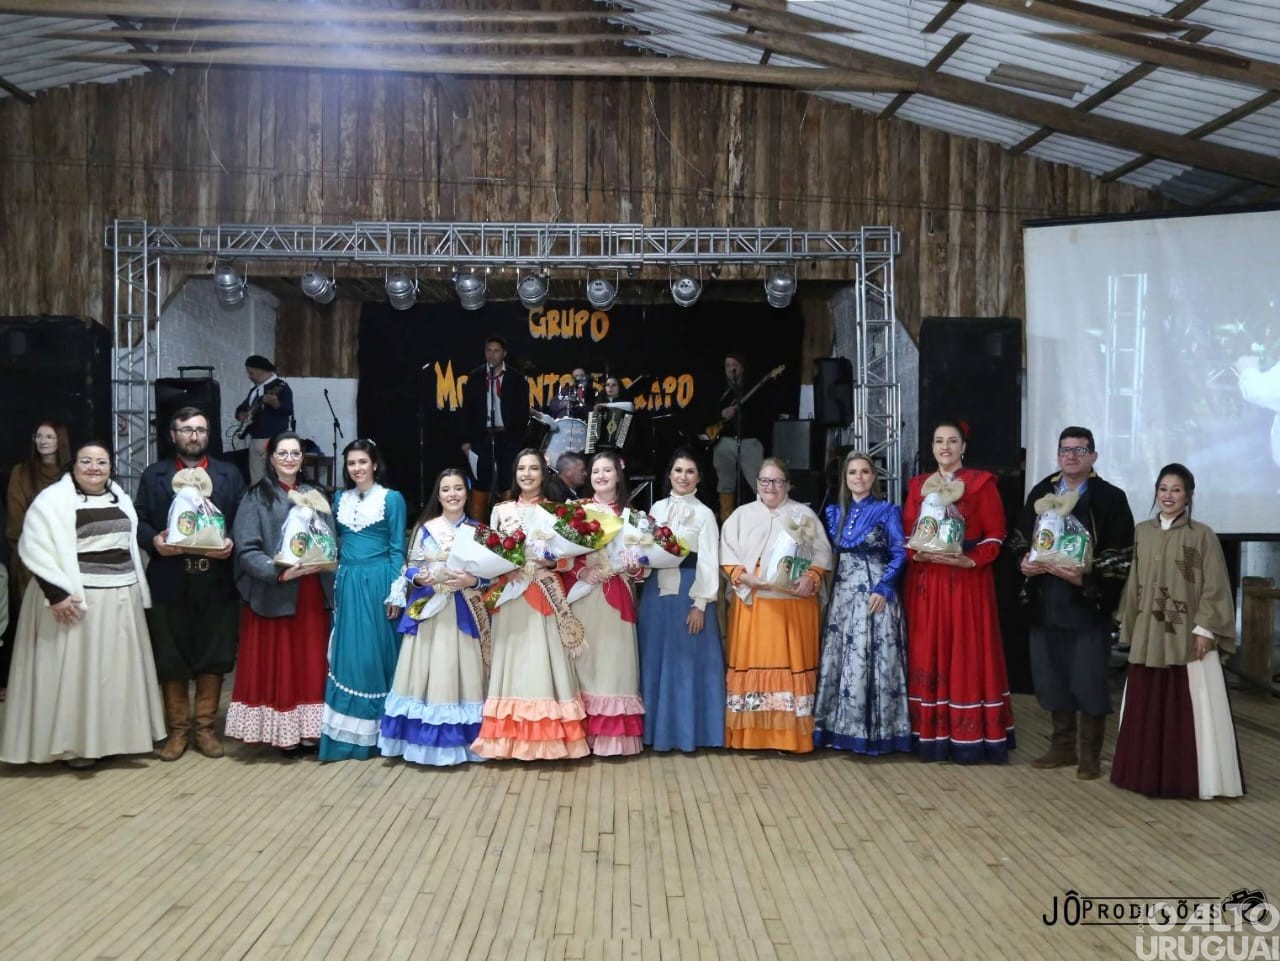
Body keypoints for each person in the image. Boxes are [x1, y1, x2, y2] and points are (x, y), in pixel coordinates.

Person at [1, 442, 164, 767]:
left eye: (101, 462)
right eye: (86, 461)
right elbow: (34, 547)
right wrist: (56, 594)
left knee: (112, 676)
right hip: (73, 602)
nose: (94, 467)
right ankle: (74, 746)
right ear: (72, 465)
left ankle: (110, 740)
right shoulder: (53, 500)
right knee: (75, 677)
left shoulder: (119, 496)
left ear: (110, 467)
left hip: (119, 600)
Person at [1111, 464, 1242, 799]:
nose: (1168, 496)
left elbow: (1215, 585)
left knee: (1189, 702)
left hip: (1188, 634)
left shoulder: (1202, 535)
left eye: (1176, 490)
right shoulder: (1142, 532)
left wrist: (1205, 629)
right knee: (1146, 700)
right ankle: (1142, 775)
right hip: (1149, 632)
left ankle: (1190, 778)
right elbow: (1133, 585)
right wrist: (1130, 623)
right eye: (1163, 489)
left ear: (1189, 495)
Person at [1016, 427, 1133, 780]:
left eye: (1080, 451)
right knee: (1051, 677)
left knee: (1089, 680)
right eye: (1065, 450)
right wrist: (1022, 560)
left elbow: (1122, 557)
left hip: (1085, 606)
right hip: (1045, 602)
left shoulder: (1110, 498)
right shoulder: (1042, 493)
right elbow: (1018, 539)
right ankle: (1061, 746)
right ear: (1057, 455)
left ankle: (1090, 754)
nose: (1071, 456)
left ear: (1093, 457)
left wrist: (1085, 577)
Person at [135, 407, 246, 760]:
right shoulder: (155, 475)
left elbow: (243, 520)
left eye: (200, 429)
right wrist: (153, 540)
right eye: (186, 429)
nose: (193, 436)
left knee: (214, 654)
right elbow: (137, 519)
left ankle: (205, 729)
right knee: (172, 655)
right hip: (169, 579)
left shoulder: (229, 474)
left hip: (216, 580)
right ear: (173, 435)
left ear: (208, 434)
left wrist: (231, 544)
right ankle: (178, 731)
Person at [902, 419, 1015, 763]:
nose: (945, 448)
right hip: (929, 581)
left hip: (966, 582)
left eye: (952, 441)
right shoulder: (919, 485)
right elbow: (907, 531)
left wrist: (971, 560)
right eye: (939, 441)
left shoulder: (980, 484)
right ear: (932, 447)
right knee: (930, 649)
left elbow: (996, 534)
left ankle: (970, 735)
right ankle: (930, 735)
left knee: (966, 650)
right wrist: (916, 552)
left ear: (964, 447)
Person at [472, 449, 590, 761]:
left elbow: (567, 560)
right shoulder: (500, 510)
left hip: (542, 590)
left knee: (542, 660)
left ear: (543, 473)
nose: (527, 474)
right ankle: (508, 741)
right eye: (521, 468)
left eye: (533, 468)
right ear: (515, 473)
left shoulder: (557, 510)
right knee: (512, 661)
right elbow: (491, 554)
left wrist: (553, 559)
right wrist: (502, 566)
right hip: (510, 592)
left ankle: (547, 741)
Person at [226, 432, 334, 754]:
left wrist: (324, 561)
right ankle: (282, 734)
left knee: (310, 662)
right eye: (282, 453)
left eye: (295, 453)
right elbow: (245, 549)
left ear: (303, 458)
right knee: (283, 663)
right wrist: (279, 572)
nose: (289, 458)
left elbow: (331, 540)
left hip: (313, 591)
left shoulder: (316, 495)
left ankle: (311, 732)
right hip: (276, 592)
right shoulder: (256, 496)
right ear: (271, 458)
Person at [720, 456, 831, 753]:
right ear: (756, 484)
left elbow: (822, 556)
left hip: (793, 606)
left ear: (788, 485)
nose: (771, 487)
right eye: (765, 481)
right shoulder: (742, 515)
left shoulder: (803, 515)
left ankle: (790, 738)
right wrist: (742, 576)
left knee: (790, 665)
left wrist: (811, 576)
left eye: (777, 481)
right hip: (755, 604)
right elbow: (727, 555)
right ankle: (751, 736)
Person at [379, 469, 488, 767]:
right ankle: (423, 742)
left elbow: (490, 576)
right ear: (438, 495)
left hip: (464, 610)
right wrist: (420, 579)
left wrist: (472, 582)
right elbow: (410, 568)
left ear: (466, 493)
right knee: (430, 673)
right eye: (445, 490)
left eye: (457, 489)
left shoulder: (479, 530)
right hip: (429, 611)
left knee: (463, 675)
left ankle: (466, 740)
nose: (452, 495)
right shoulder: (425, 529)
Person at [814, 451, 910, 755]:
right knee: (843, 656)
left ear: (873, 477)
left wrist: (884, 588)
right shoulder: (832, 513)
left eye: (865, 472)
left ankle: (877, 733)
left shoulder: (887, 510)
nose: (859, 477)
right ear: (845, 478)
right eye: (853, 472)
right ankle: (839, 729)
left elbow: (900, 552)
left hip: (874, 594)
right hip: (843, 595)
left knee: (873, 658)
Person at [319, 439, 406, 761]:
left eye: (362, 462)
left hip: (380, 581)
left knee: (377, 656)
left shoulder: (392, 499)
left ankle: (383, 735)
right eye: (351, 463)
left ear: (374, 464)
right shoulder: (339, 498)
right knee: (350, 655)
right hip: (349, 581)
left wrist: (397, 590)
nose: (356, 468)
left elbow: (398, 548)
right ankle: (349, 739)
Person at [637, 448, 725, 752]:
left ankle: (689, 734)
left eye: (689, 471)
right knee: (655, 661)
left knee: (685, 664)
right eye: (678, 471)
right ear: (669, 475)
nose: (683, 477)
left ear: (699, 477)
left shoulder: (704, 514)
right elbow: (643, 549)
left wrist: (700, 604)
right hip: (655, 594)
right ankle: (653, 733)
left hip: (688, 593)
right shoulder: (656, 509)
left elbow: (709, 562)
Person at [565, 450, 646, 756]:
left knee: (615, 665)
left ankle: (613, 740)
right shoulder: (576, 510)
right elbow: (562, 555)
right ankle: (582, 736)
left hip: (616, 596)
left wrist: (635, 565)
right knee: (585, 664)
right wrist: (581, 570)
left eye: (607, 471)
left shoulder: (633, 516)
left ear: (618, 475)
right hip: (584, 594)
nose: (601, 476)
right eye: (595, 471)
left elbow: (642, 566)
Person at [462, 335, 530, 521]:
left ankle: (508, 526)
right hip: (482, 437)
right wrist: (466, 442)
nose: (492, 355)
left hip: (508, 437)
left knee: (507, 480)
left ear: (504, 353)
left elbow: (523, 413)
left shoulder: (516, 379)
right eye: (488, 350)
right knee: (481, 482)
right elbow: (467, 410)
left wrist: (518, 439)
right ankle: (479, 528)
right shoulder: (475, 377)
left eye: (496, 350)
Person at [6, 421, 71, 601]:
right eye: (39, 436)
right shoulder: (21, 472)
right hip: (29, 551)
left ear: (60, 441)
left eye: (49, 436)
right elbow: (15, 516)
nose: (43, 441)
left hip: (65, 552)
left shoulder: (71, 474)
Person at [709, 353, 768, 521]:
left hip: (749, 441)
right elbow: (706, 413)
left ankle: (766, 518)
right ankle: (726, 519)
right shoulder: (720, 390)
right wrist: (720, 413)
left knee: (759, 481)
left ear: (742, 368)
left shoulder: (752, 388)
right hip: (725, 441)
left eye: (734, 364)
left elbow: (763, 415)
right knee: (725, 482)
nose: (731, 368)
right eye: (727, 365)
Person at [234, 355, 294, 485]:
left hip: (272, 439)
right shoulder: (255, 390)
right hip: (256, 439)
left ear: (261, 370)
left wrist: (275, 403)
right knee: (256, 480)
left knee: (274, 478)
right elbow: (242, 407)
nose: (249, 376)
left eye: (251, 372)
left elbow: (288, 409)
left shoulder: (281, 386)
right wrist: (240, 414)